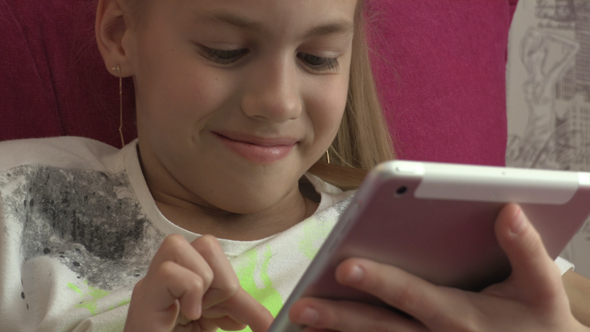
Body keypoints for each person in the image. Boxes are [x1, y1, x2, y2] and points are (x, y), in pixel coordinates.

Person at [0, 0, 590, 332]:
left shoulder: (422, 230)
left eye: (317, 58)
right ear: (120, 32)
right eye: (225, 51)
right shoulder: (21, 198)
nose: (278, 102)